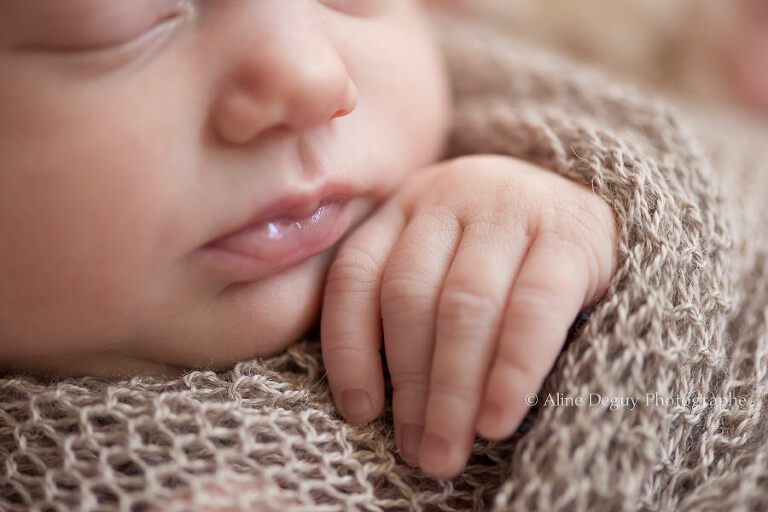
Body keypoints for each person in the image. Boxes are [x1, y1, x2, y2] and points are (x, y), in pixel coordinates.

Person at [3, 1, 768, 510]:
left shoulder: (500, 161)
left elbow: (722, 200)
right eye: (116, 19)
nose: (310, 78)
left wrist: (570, 217)